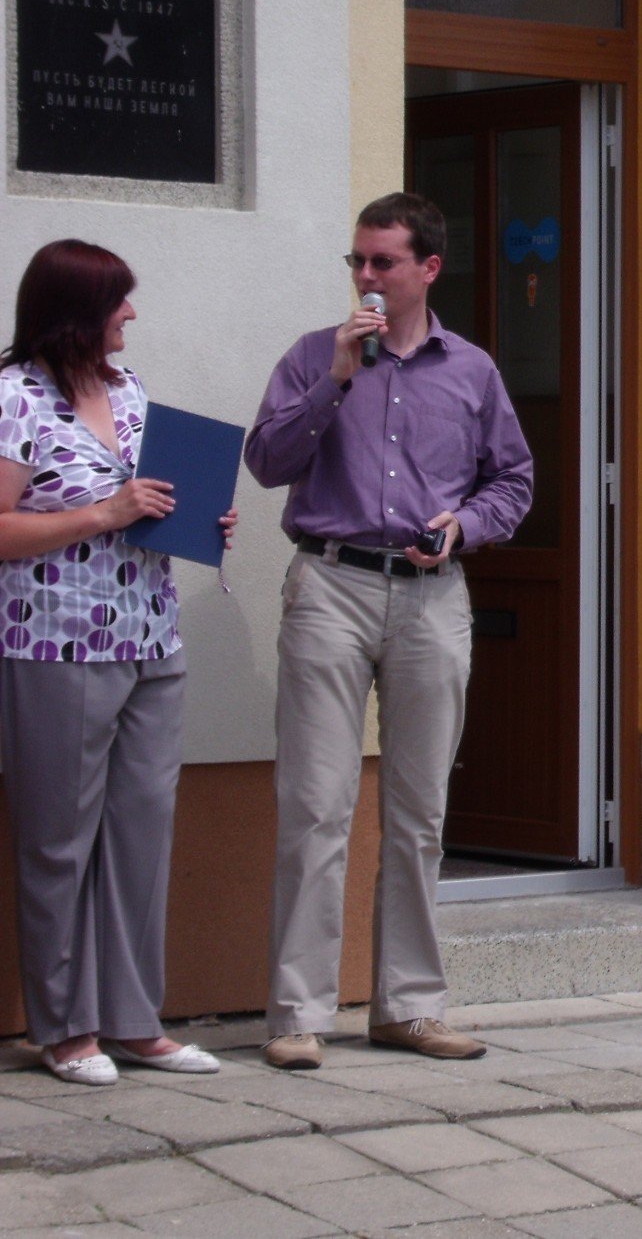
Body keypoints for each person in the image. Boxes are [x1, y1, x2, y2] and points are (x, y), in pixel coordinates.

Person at [246, 193, 531, 1070]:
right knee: (316, 807)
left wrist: (465, 524)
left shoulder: (472, 371)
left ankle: (407, 1006)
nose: (365, 278)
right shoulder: (313, 357)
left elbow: (513, 484)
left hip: (432, 595)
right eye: (356, 262)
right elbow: (266, 463)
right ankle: (298, 1013)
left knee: (418, 814)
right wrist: (335, 380)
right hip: (330, 584)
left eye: (382, 263)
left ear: (427, 270)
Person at [0, 239, 235, 1085]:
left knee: (141, 837)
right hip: (55, 645)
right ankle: (64, 1030)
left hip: (151, 640)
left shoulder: (130, 391)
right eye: (119, 301)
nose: (132, 314)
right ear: (76, 310)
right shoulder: (15, 400)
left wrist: (197, 520)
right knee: (59, 844)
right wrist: (106, 513)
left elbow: (150, 500)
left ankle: (137, 1022)